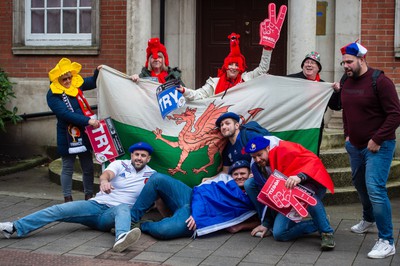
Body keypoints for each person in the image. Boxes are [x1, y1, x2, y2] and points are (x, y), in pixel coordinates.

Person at [0, 142, 156, 253]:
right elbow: (107, 174)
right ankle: (14, 227)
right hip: (95, 205)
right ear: (132, 155)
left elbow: (157, 197)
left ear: (148, 159)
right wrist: (104, 181)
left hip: (112, 214)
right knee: (58, 209)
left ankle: (121, 237)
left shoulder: (152, 175)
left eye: (143, 155)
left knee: (123, 207)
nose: (139, 157)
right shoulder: (120, 164)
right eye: (136, 154)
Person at [340, 42, 400, 259]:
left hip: (379, 146)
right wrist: (347, 135)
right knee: (358, 183)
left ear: (362, 60)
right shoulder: (346, 80)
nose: (345, 65)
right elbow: (347, 109)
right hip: (355, 145)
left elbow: (395, 115)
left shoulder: (380, 82)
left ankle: (387, 240)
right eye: (343, 62)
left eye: (349, 61)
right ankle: (368, 218)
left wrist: (376, 139)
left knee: (375, 188)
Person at [177, 3, 287, 100]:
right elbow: (198, 94)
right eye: (231, 64)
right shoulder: (214, 83)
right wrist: (184, 91)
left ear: (241, 69)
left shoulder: (247, 79)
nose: (233, 67)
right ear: (225, 66)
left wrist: (267, 49)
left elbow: (263, 69)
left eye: (237, 65)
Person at [243, 136, 336, 251]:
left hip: (308, 186)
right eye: (253, 157)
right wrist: (266, 224)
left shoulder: (284, 149)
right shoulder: (257, 169)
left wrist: (300, 177)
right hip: (287, 197)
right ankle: (319, 221)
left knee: (306, 195)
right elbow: (268, 197)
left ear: (268, 148)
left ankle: (326, 232)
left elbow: (313, 161)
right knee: (279, 234)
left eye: (259, 154)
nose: (257, 159)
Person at [129, 160, 258, 240]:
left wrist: (240, 226)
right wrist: (197, 213)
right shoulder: (225, 182)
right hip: (191, 198)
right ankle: (130, 221)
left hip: (196, 218)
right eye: (236, 174)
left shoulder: (253, 194)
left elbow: (262, 220)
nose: (239, 177)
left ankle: (142, 225)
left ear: (250, 175)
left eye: (243, 174)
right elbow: (202, 190)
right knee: (157, 178)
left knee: (163, 230)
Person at [47, 58, 102, 202]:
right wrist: (88, 121)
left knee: (88, 167)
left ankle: (89, 196)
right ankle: (67, 199)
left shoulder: (76, 85)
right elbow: (65, 114)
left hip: (84, 133)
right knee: (67, 168)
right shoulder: (53, 94)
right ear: (58, 79)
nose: (68, 81)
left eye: (70, 77)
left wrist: (98, 71)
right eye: (64, 79)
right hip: (67, 134)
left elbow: (92, 81)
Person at [287, 51, 341, 156]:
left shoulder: (324, 86)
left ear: (318, 68)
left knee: (311, 153)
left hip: (314, 127)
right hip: (295, 124)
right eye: (306, 62)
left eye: (313, 63)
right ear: (302, 66)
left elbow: (335, 106)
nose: (309, 65)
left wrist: (337, 92)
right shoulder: (292, 80)